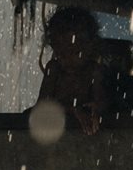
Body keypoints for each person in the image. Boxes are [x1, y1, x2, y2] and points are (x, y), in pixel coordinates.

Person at [36, 7, 114, 135]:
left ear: (89, 48)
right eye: (61, 53)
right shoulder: (54, 69)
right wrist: (73, 110)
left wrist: (94, 111)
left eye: (74, 52)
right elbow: (42, 107)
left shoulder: (94, 71)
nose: (67, 59)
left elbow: (101, 102)